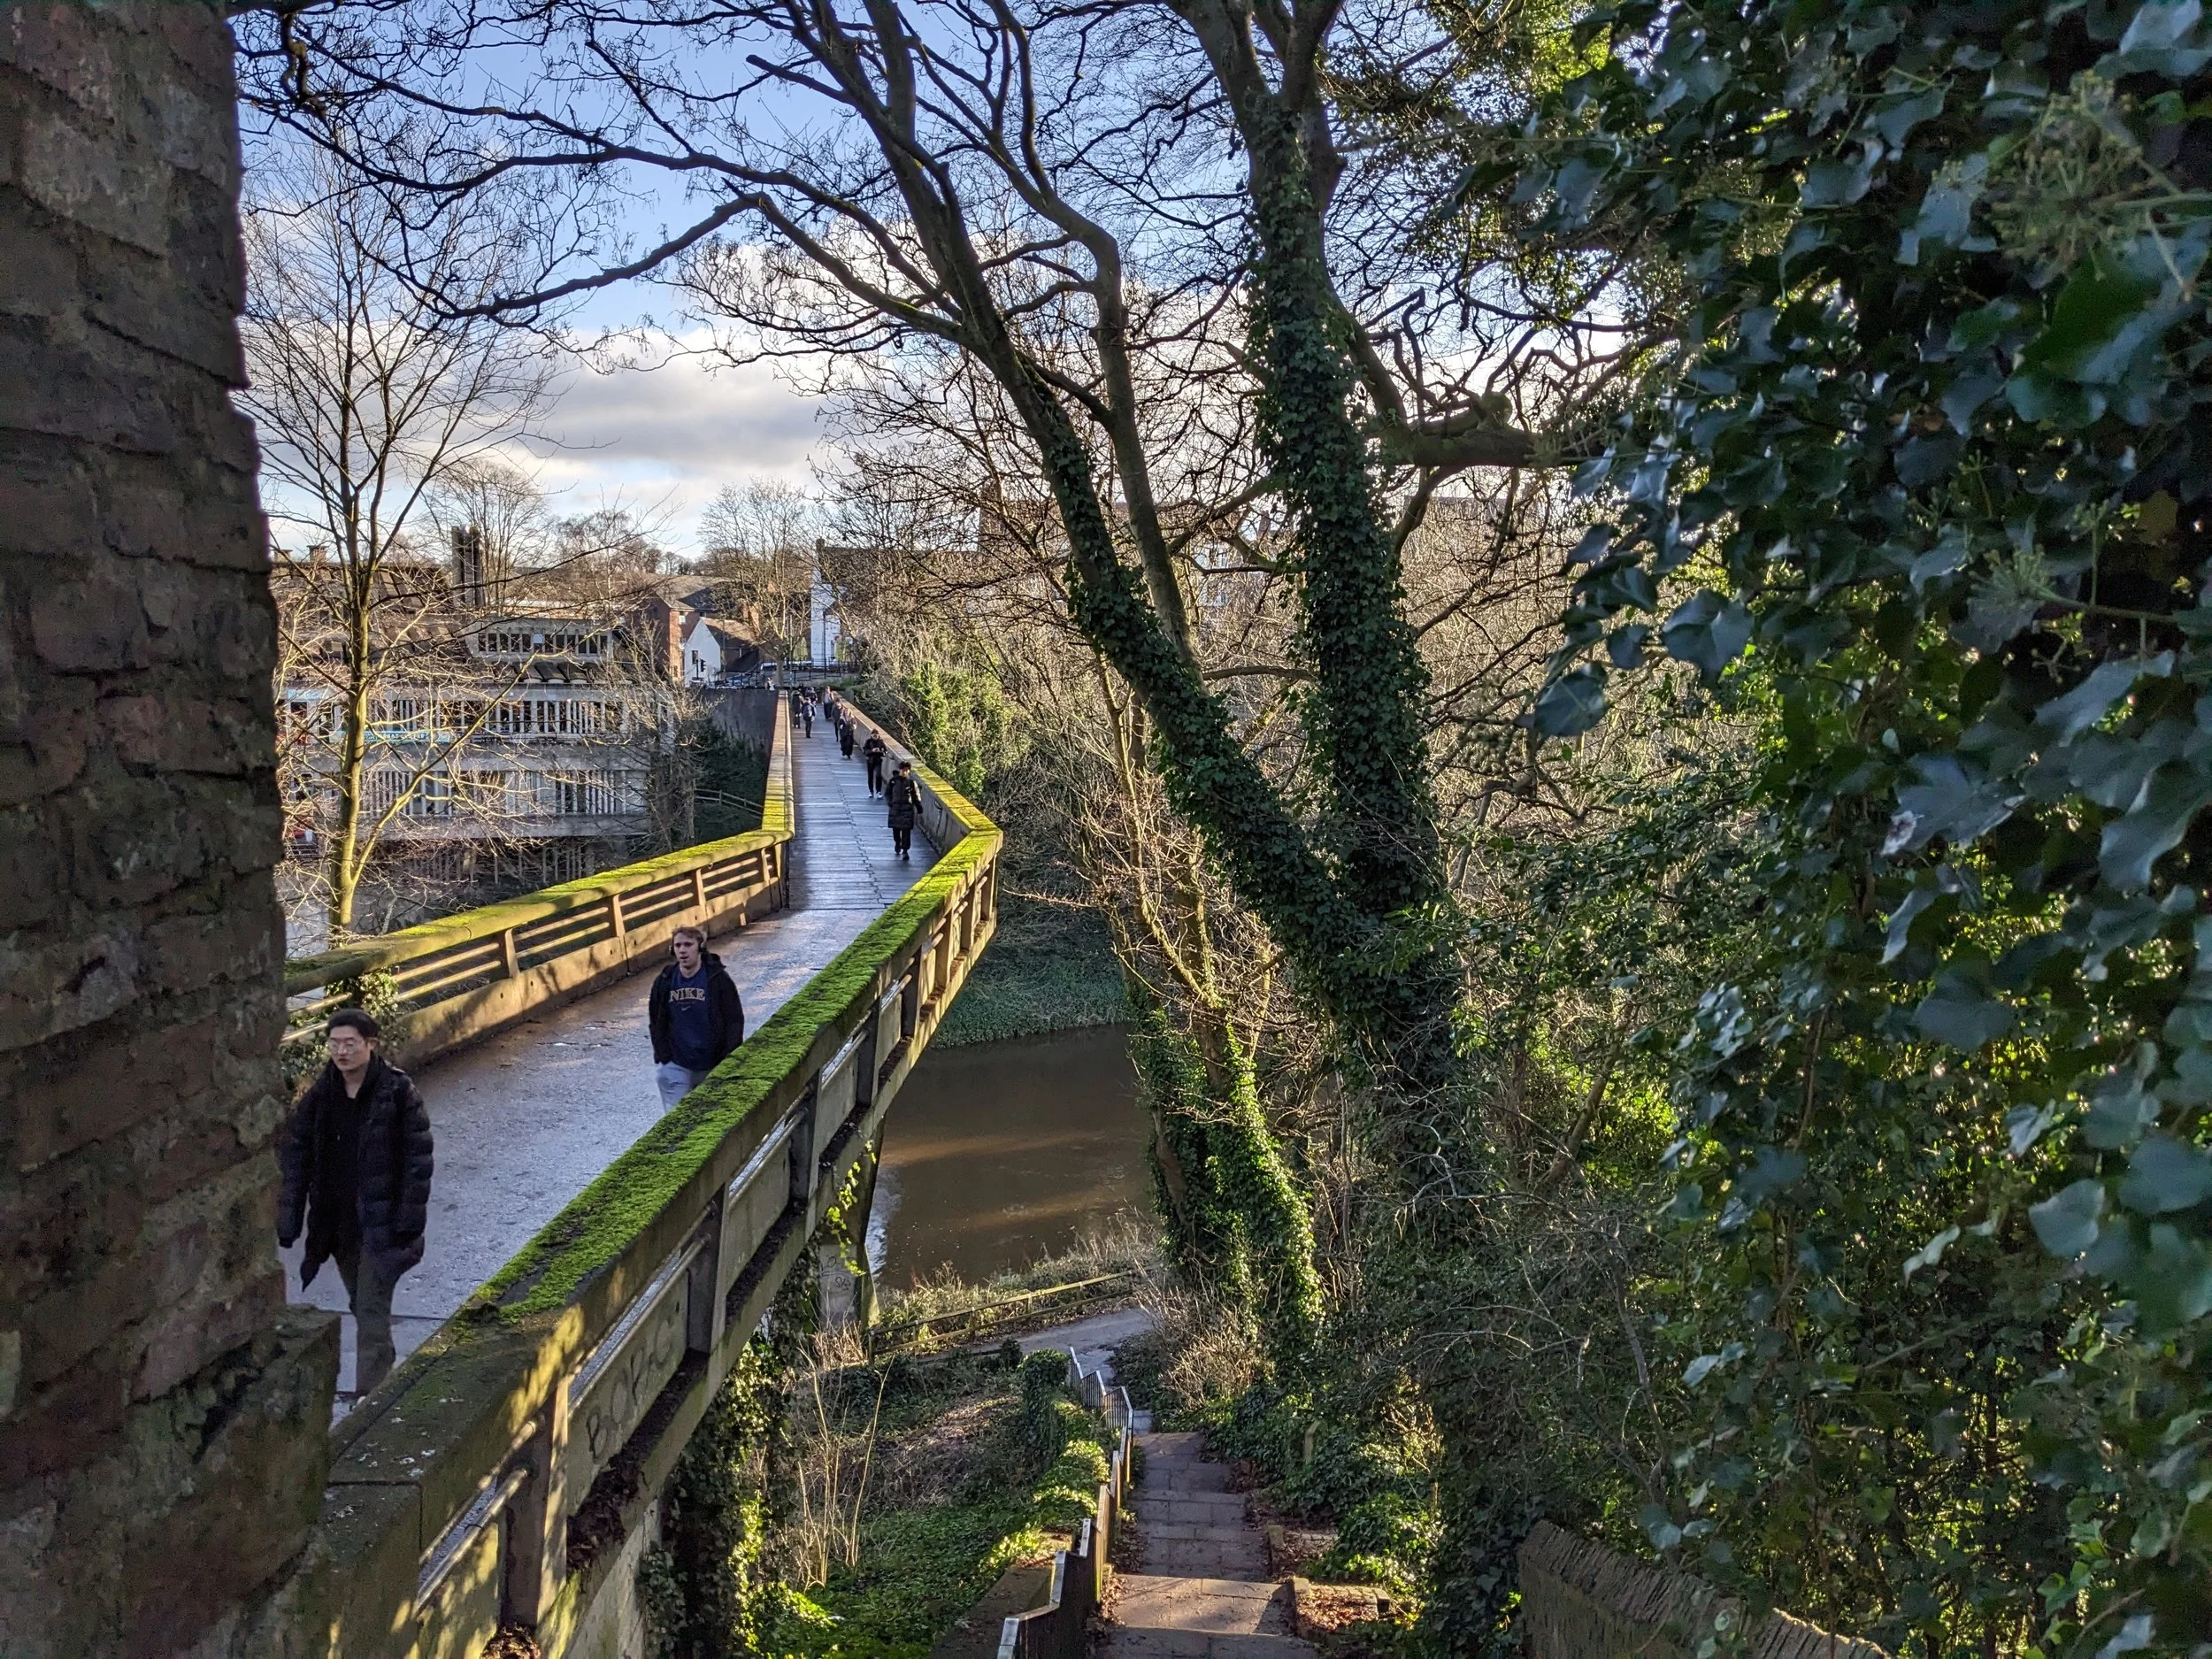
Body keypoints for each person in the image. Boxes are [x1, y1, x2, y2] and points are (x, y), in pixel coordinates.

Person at [276, 1008, 434, 1395]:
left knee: (370, 1310)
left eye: (350, 1043)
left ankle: (370, 1401)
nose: (342, 1051)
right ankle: (382, 1382)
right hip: (339, 1224)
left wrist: (408, 1222)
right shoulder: (321, 1096)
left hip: (383, 1227)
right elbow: (296, 1158)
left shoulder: (397, 1092)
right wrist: (290, 1218)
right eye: (334, 1044)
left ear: (370, 1045)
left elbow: (419, 1161)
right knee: (361, 1304)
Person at [649, 925, 745, 1108]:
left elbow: (734, 1020)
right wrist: (663, 1055)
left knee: (709, 1118)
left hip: (712, 1062)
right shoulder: (665, 980)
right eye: (678, 946)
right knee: (676, 1122)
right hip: (677, 1063)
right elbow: (656, 1020)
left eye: (688, 945)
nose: (683, 951)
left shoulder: (718, 979)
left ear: (700, 947)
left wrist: (728, 1057)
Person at [885, 759, 922, 860]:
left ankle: (905, 850)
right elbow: (887, 793)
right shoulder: (893, 781)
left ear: (909, 771)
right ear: (900, 770)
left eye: (906, 770)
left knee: (906, 831)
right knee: (895, 830)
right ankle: (897, 842)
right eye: (903, 770)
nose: (904, 772)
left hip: (907, 809)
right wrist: (890, 802)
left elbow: (916, 796)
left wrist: (919, 808)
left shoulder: (911, 783)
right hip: (895, 809)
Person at [862, 730, 887, 795]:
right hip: (870, 761)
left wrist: (880, 752)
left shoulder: (881, 742)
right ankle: (871, 791)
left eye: (876, 735)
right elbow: (865, 751)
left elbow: (885, 752)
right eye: (873, 735)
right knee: (870, 776)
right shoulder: (868, 742)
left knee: (878, 775)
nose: (875, 736)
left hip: (878, 760)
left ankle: (878, 791)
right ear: (871, 735)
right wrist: (872, 751)